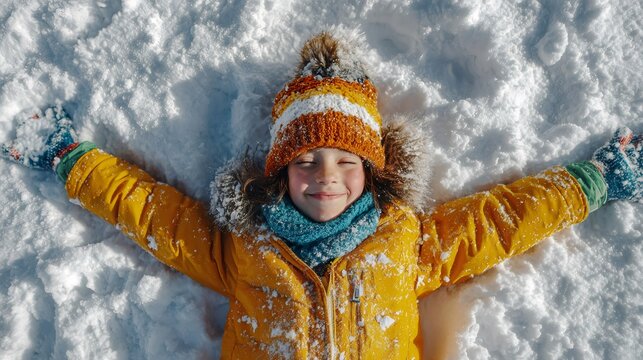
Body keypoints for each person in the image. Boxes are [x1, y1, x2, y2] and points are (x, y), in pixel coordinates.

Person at [2, 30, 641, 359]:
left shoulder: (405, 244)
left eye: (345, 160)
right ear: (279, 173)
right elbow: (149, 212)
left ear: (373, 170)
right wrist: (71, 159)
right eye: (304, 160)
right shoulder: (242, 249)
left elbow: (501, 222)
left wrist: (594, 181)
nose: (325, 175)